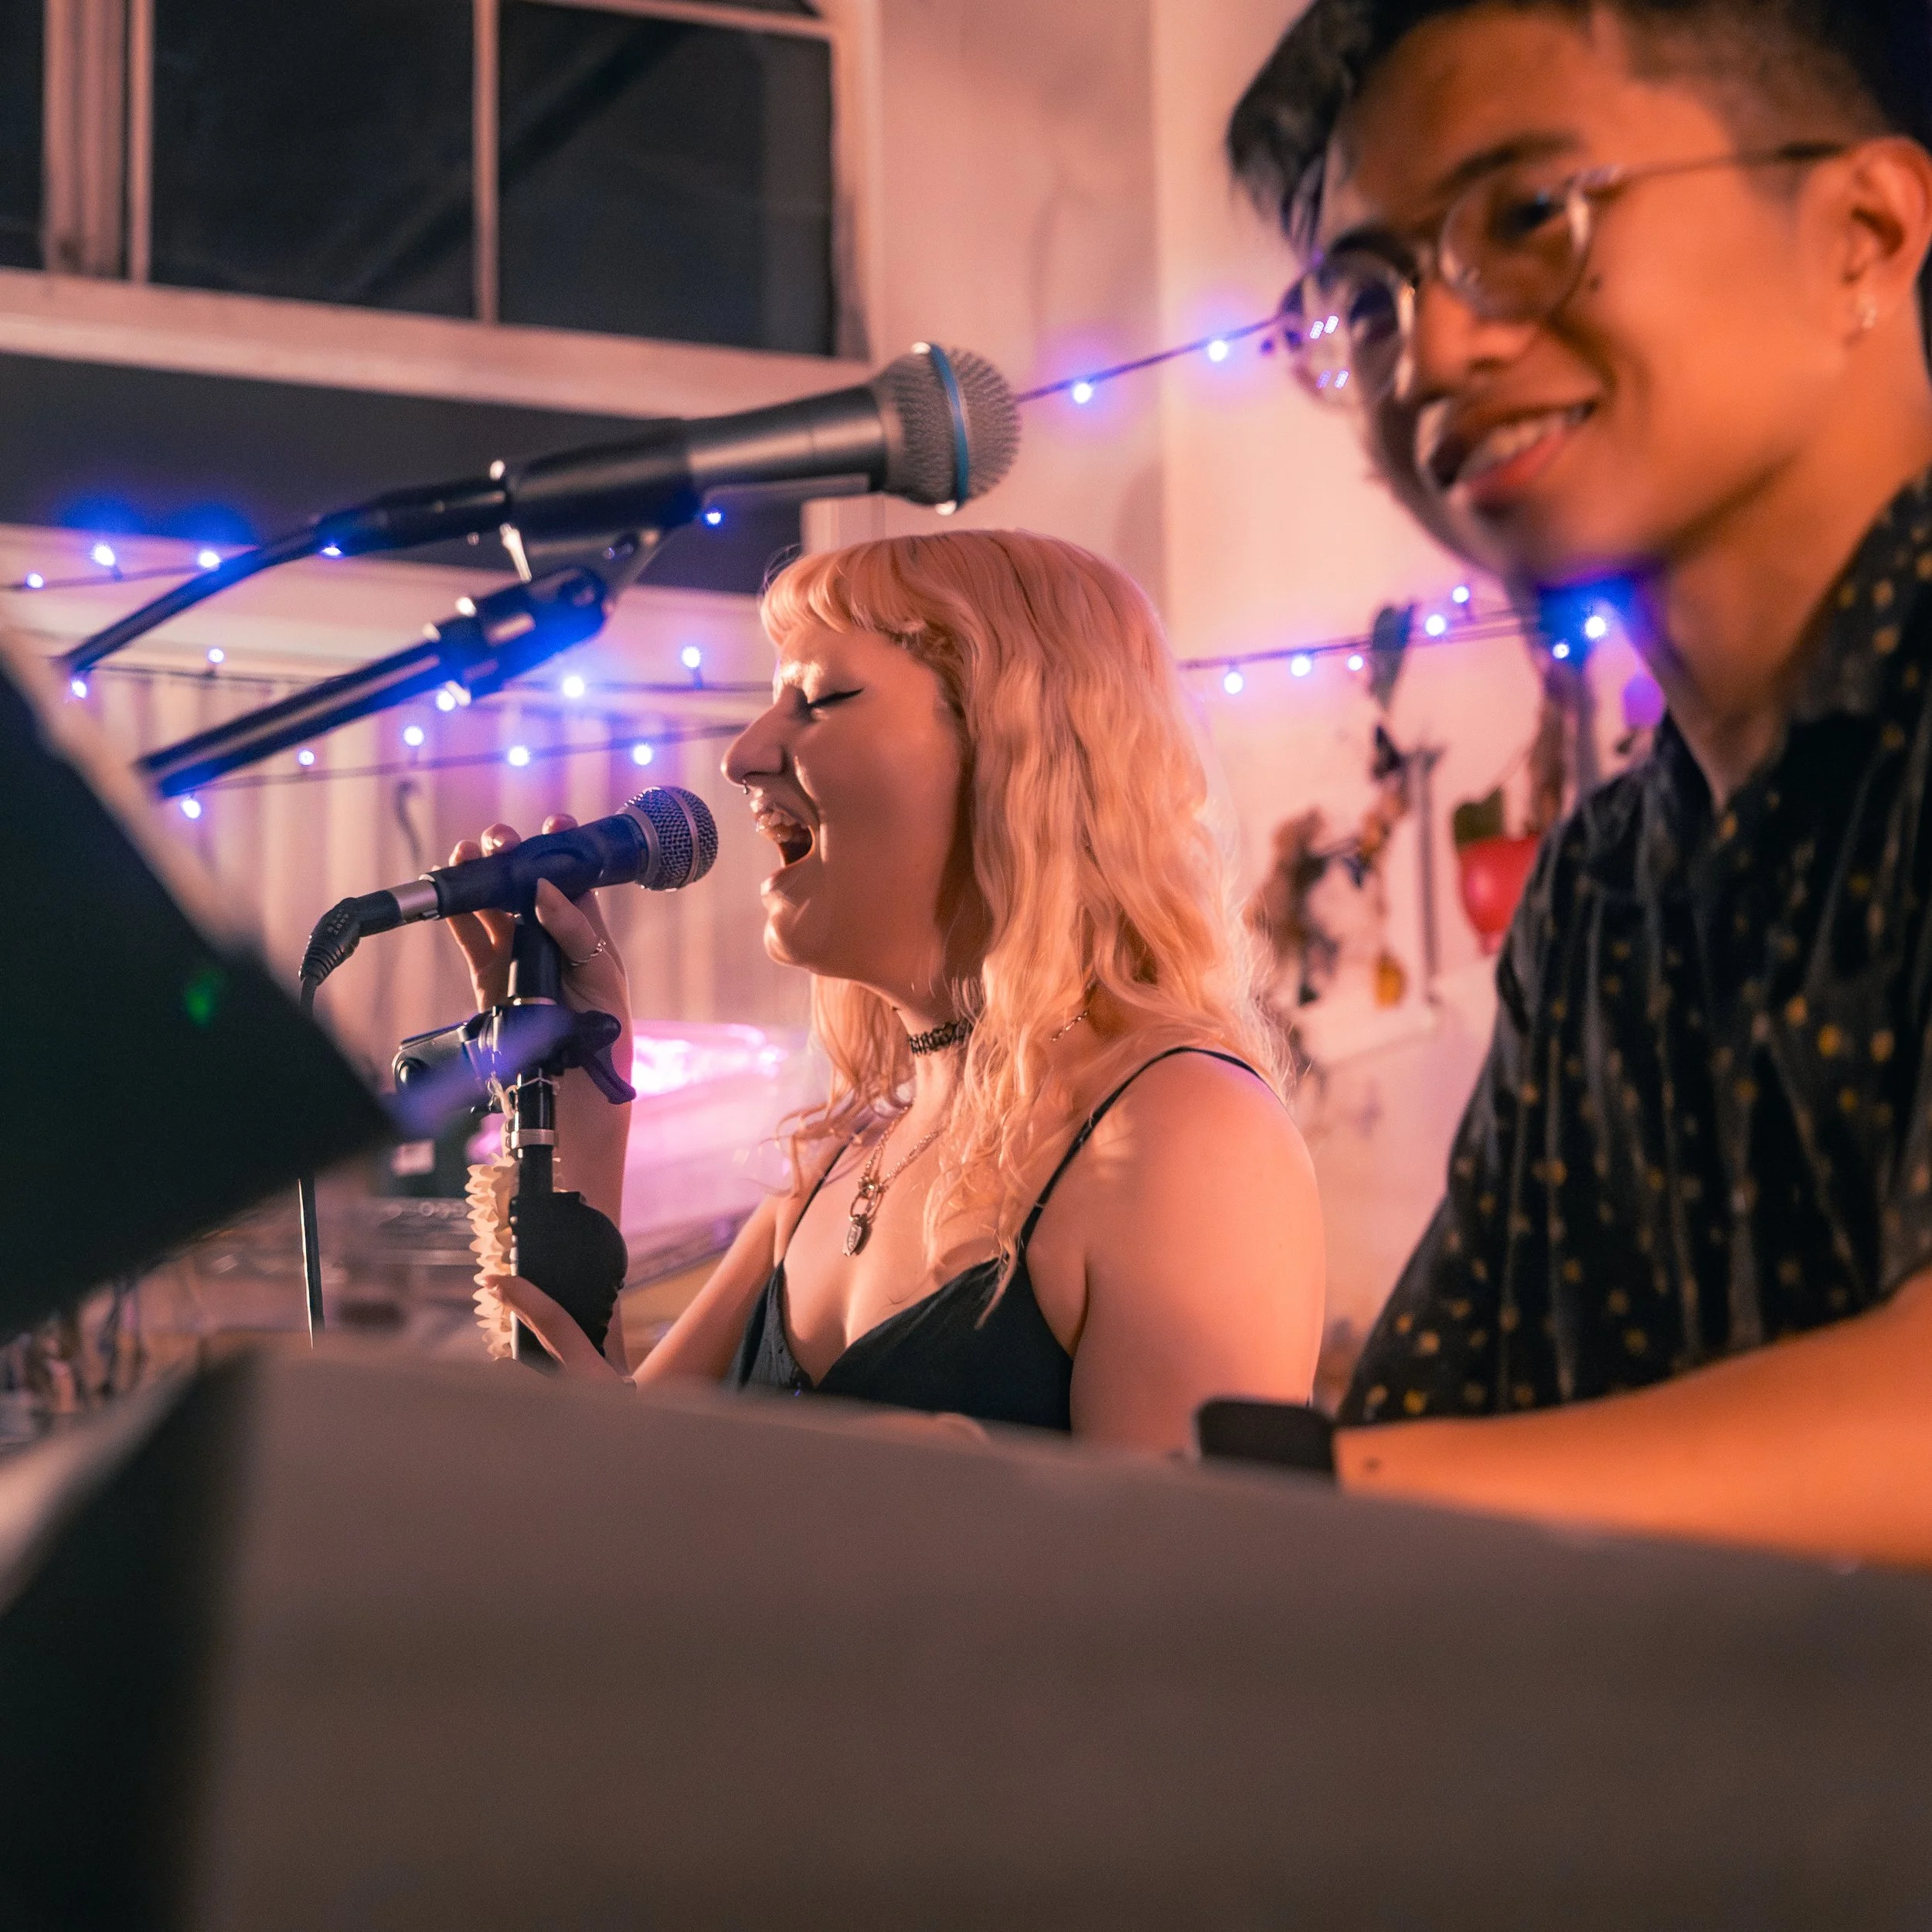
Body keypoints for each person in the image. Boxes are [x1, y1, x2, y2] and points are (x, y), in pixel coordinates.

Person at [1228, 0, 1932, 1562]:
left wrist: (1284, 1509)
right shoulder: (1608, 870)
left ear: (1860, 236)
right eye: (1362, 301)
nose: (1436, 350)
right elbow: (1446, 1402)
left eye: (1525, 217)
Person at [453, 529, 1324, 1454]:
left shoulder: (1184, 1133)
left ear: (1012, 757)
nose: (743, 756)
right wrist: (579, 1099)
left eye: (822, 699)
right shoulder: (838, 1163)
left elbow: (1192, 1585)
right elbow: (598, 1477)